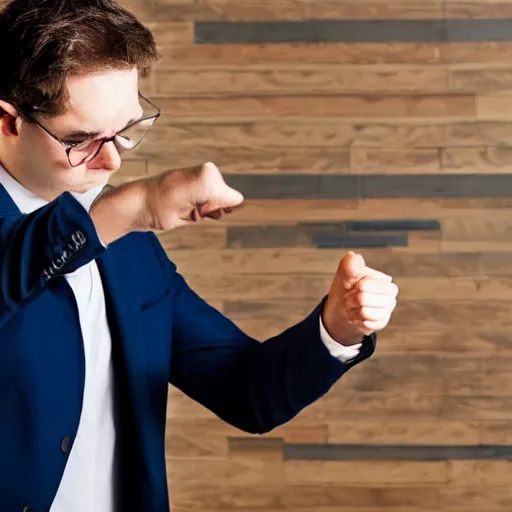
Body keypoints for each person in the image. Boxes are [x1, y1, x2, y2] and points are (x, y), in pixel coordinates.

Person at [0, 0, 399, 511]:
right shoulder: (121, 216)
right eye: (82, 140)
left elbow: (245, 390)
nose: (113, 159)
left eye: (126, 129)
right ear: (8, 120)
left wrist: (337, 329)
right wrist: (135, 205)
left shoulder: (129, 242)